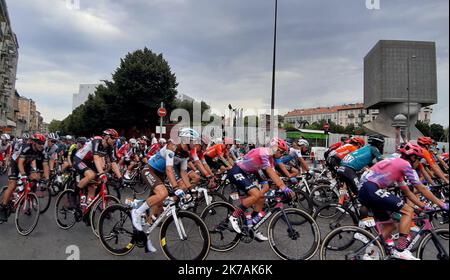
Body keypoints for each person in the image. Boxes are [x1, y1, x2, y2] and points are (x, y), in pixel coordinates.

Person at [358, 142, 448, 260]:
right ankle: (400, 249)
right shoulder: (405, 164)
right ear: (413, 157)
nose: (419, 163)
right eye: (419, 160)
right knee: (407, 211)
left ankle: (369, 254)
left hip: (367, 189)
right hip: (370, 188)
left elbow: (408, 193)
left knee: (390, 226)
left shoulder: (398, 166)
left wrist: (423, 206)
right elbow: (421, 188)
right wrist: (442, 204)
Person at [226, 138, 294, 241]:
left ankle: (251, 226)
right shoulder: (264, 152)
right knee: (256, 195)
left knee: (261, 197)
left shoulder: (271, 159)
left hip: (250, 172)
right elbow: (270, 172)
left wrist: (283, 186)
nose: (282, 155)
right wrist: (283, 187)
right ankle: (234, 216)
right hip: (237, 170)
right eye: (281, 151)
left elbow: (273, 176)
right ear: (274, 148)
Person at [0, 133, 46, 222]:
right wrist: (24, 175)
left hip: (26, 164)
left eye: (43, 143)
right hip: (15, 163)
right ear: (34, 143)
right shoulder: (26, 147)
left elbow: (44, 164)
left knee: (34, 180)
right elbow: (20, 163)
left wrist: (45, 177)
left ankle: (29, 200)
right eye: (40, 143)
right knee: (12, 185)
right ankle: (2, 208)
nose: (42, 145)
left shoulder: (41, 150)